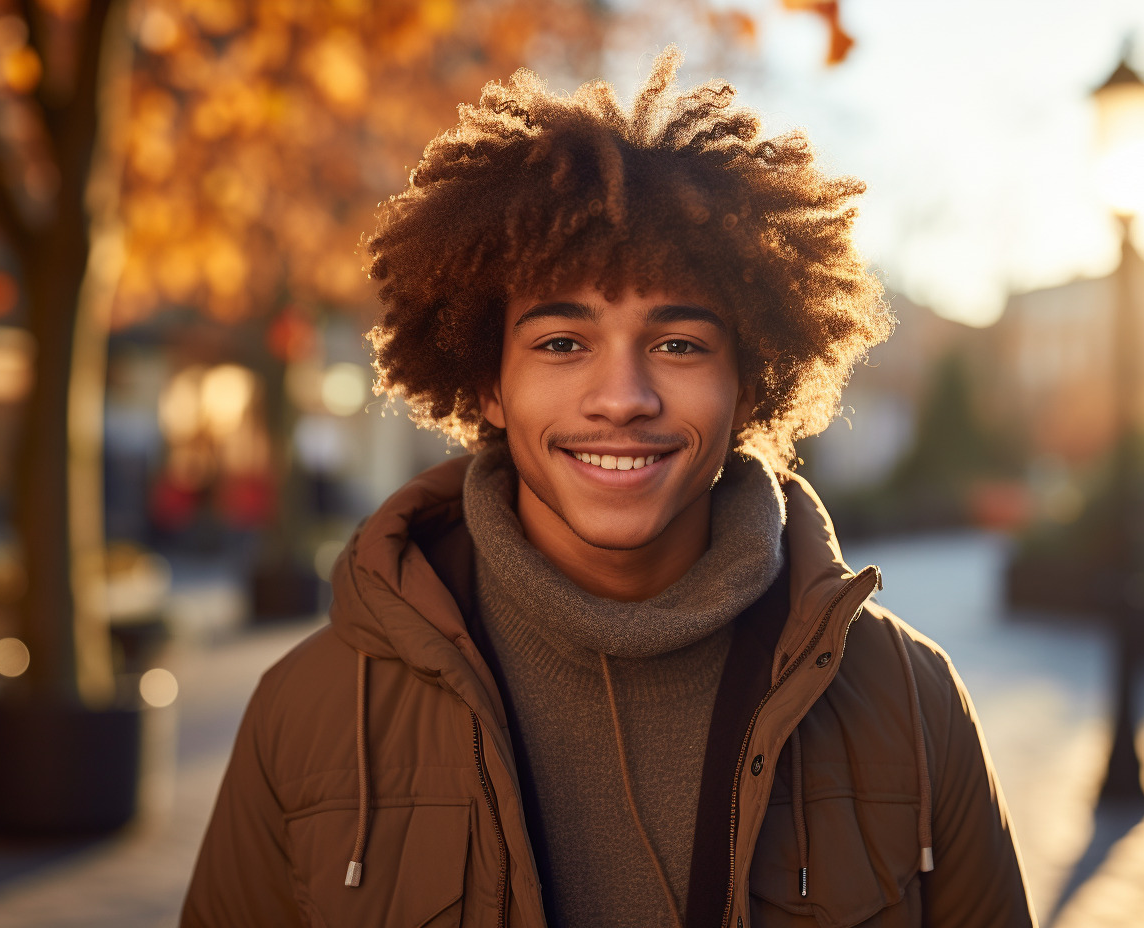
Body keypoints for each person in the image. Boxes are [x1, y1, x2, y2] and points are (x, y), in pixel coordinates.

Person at [182, 46, 1036, 928]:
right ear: (488, 386)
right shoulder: (311, 710)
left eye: (678, 344)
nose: (623, 398)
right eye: (561, 343)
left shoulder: (909, 697)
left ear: (749, 383)